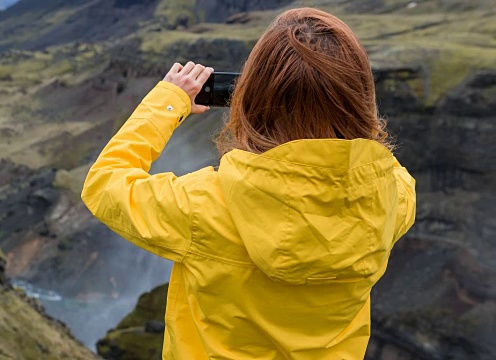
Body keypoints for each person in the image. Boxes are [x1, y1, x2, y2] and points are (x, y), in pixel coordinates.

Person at [81, 7, 416, 360]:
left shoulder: (203, 206)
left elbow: (105, 182)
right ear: (359, 100)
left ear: (252, 99)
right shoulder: (392, 198)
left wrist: (168, 102)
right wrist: (337, 113)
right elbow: (379, 163)